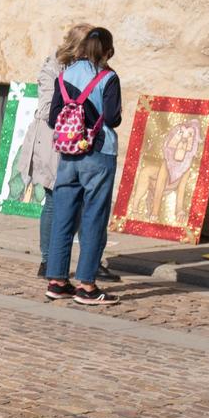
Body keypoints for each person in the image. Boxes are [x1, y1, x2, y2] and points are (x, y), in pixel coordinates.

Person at [43, 27, 122, 304]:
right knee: (93, 218)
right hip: (98, 151)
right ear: (106, 50)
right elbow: (112, 118)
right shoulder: (108, 77)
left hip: (68, 153)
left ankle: (56, 280)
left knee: (63, 217)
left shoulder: (64, 76)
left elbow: (54, 118)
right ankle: (87, 285)